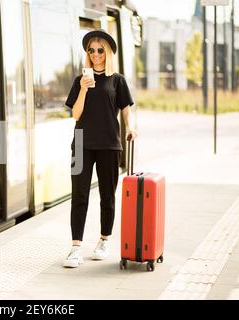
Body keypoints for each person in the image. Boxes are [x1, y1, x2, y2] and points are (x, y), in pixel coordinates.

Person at [63, 30, 138, 268]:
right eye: (91, 50)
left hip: (109, 144)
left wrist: (131, 128)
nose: (95, 54)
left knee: (108, 195)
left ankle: (104, 240)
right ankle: (75, 247)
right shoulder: (79, 81)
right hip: (82, 143)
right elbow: (76, 115)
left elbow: (126, 110)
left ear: (107, 53)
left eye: (100, 50)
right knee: (79, 195)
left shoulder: (117, 80)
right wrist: (84, 89)